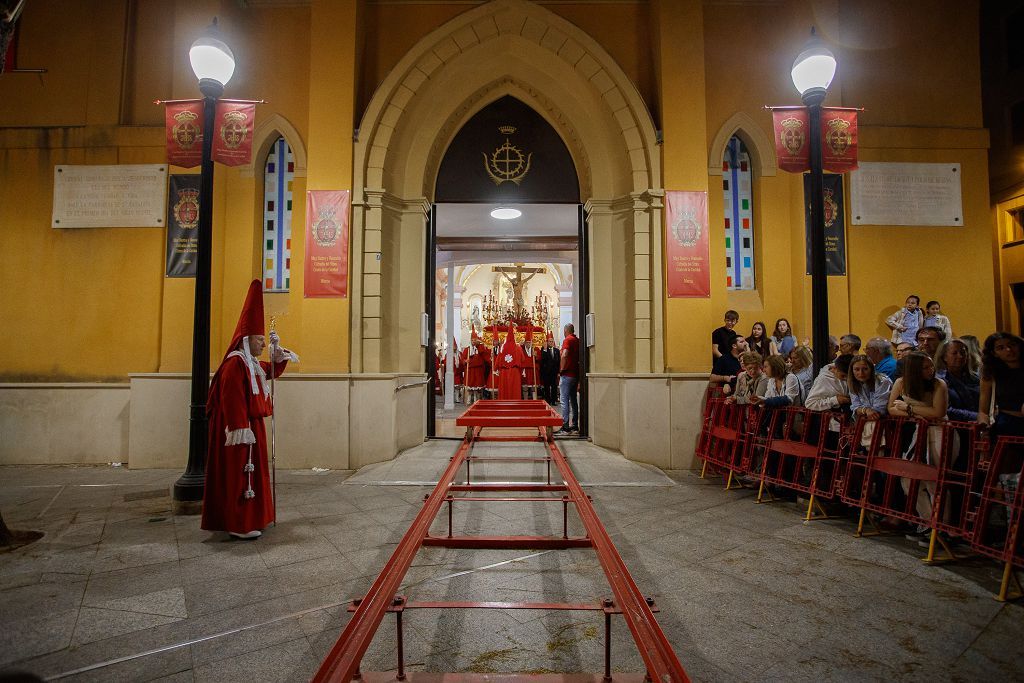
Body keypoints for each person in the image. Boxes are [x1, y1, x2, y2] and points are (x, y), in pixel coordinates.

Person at [202, 280, 298, 540]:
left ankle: (255, 517)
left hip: (252, 427)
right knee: (240, 475)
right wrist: (241, 429)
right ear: (246, 340)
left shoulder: (251, 363)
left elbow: (270, 372)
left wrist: (279, 355)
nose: (262, 345)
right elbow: (232, 399)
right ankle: (239, 522)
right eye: (259, 340)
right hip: (240, 430)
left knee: (254, 473)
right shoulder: (235, 364)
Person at [887, 351, 949, 528]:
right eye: (925, 367)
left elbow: (938, 412)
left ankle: (942, 525)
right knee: (908, 478)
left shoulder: (939, 385)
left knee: (934, 480)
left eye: (931, 366)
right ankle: (928, 522)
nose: (931, 370)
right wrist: (916, 413)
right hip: (918, 431)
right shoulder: (901, 383)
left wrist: (909, 409)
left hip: (939, 432)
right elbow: (891, 408)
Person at [978, 332, 1024, 436]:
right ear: (994, 353)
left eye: (1012, 345)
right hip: (1007, 425)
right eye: (1001, 348)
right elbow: (983, 411)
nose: (1009, 350)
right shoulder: (991, 375)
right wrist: (984, 425)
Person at [935, 338, 980, 422]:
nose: (960, 356)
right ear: (944, 357)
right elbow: (946, 410)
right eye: (954, 353)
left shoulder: (975, 378)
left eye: (963, 353)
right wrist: (977, 416)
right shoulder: (939, 380)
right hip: (955, 426)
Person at [805, 354, 854, 431]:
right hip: (828, 427)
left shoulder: (852, 376)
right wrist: (835, 400)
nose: (846, 379)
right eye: (843, 376)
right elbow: (810, 403)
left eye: (850, 377)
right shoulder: (823, 379)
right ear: (835, 368)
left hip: (847, 424)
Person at [849, 354, 892, 422]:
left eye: (865, 369)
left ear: (871, 369)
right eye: (857, 369)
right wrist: (866, 410)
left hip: (885, 422)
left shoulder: (882, 381)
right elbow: (855, 407)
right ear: (852, 371)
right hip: (865, 422)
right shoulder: (853, 383)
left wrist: (863, 410)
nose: (861, 373)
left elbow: (879, 410)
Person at [556, 323, 581, 434]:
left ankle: (565, 426)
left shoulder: (568, 340)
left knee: (564, 400)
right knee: (573, 400)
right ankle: (575, 425)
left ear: (566, 331)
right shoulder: (577, 340)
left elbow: (565, 354)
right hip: (575, 375)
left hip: (567, 375)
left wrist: (561, 369)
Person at [494, 325, 527, 400]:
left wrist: (496, 368)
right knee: (514, 388)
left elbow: (498, 359)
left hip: (504, 372)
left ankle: (503, 403)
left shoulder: (503, 347)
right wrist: (522, 370)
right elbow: (522, 360)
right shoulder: (518, 348)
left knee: (504, 388)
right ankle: (515, 403)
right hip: (515, 371)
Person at [462, 327, 490, 404]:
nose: (473, 342)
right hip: (470, 370)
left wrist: (480, 345)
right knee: (470, 385)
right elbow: (463, 359)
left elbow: (484, 355)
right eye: (472, 340)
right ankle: (469, 398)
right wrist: (465, 361)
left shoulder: (480, 348)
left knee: (477, 386)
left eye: (475, 340)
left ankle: (476, 399)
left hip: (478, 370)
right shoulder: (467, 349)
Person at [539, 332, 560, 405]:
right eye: (549, 341)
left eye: (552, 341)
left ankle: (554, 401)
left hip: (554, 372)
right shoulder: (544, 349)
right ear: (547, 342)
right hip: (546, 373)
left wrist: (558, 372)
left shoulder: (556, 350)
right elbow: (542, 360)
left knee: (554, 387)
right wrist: (544, 349)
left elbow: (558, 362)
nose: (551, 343)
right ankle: (548, 401)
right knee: (547, 387)